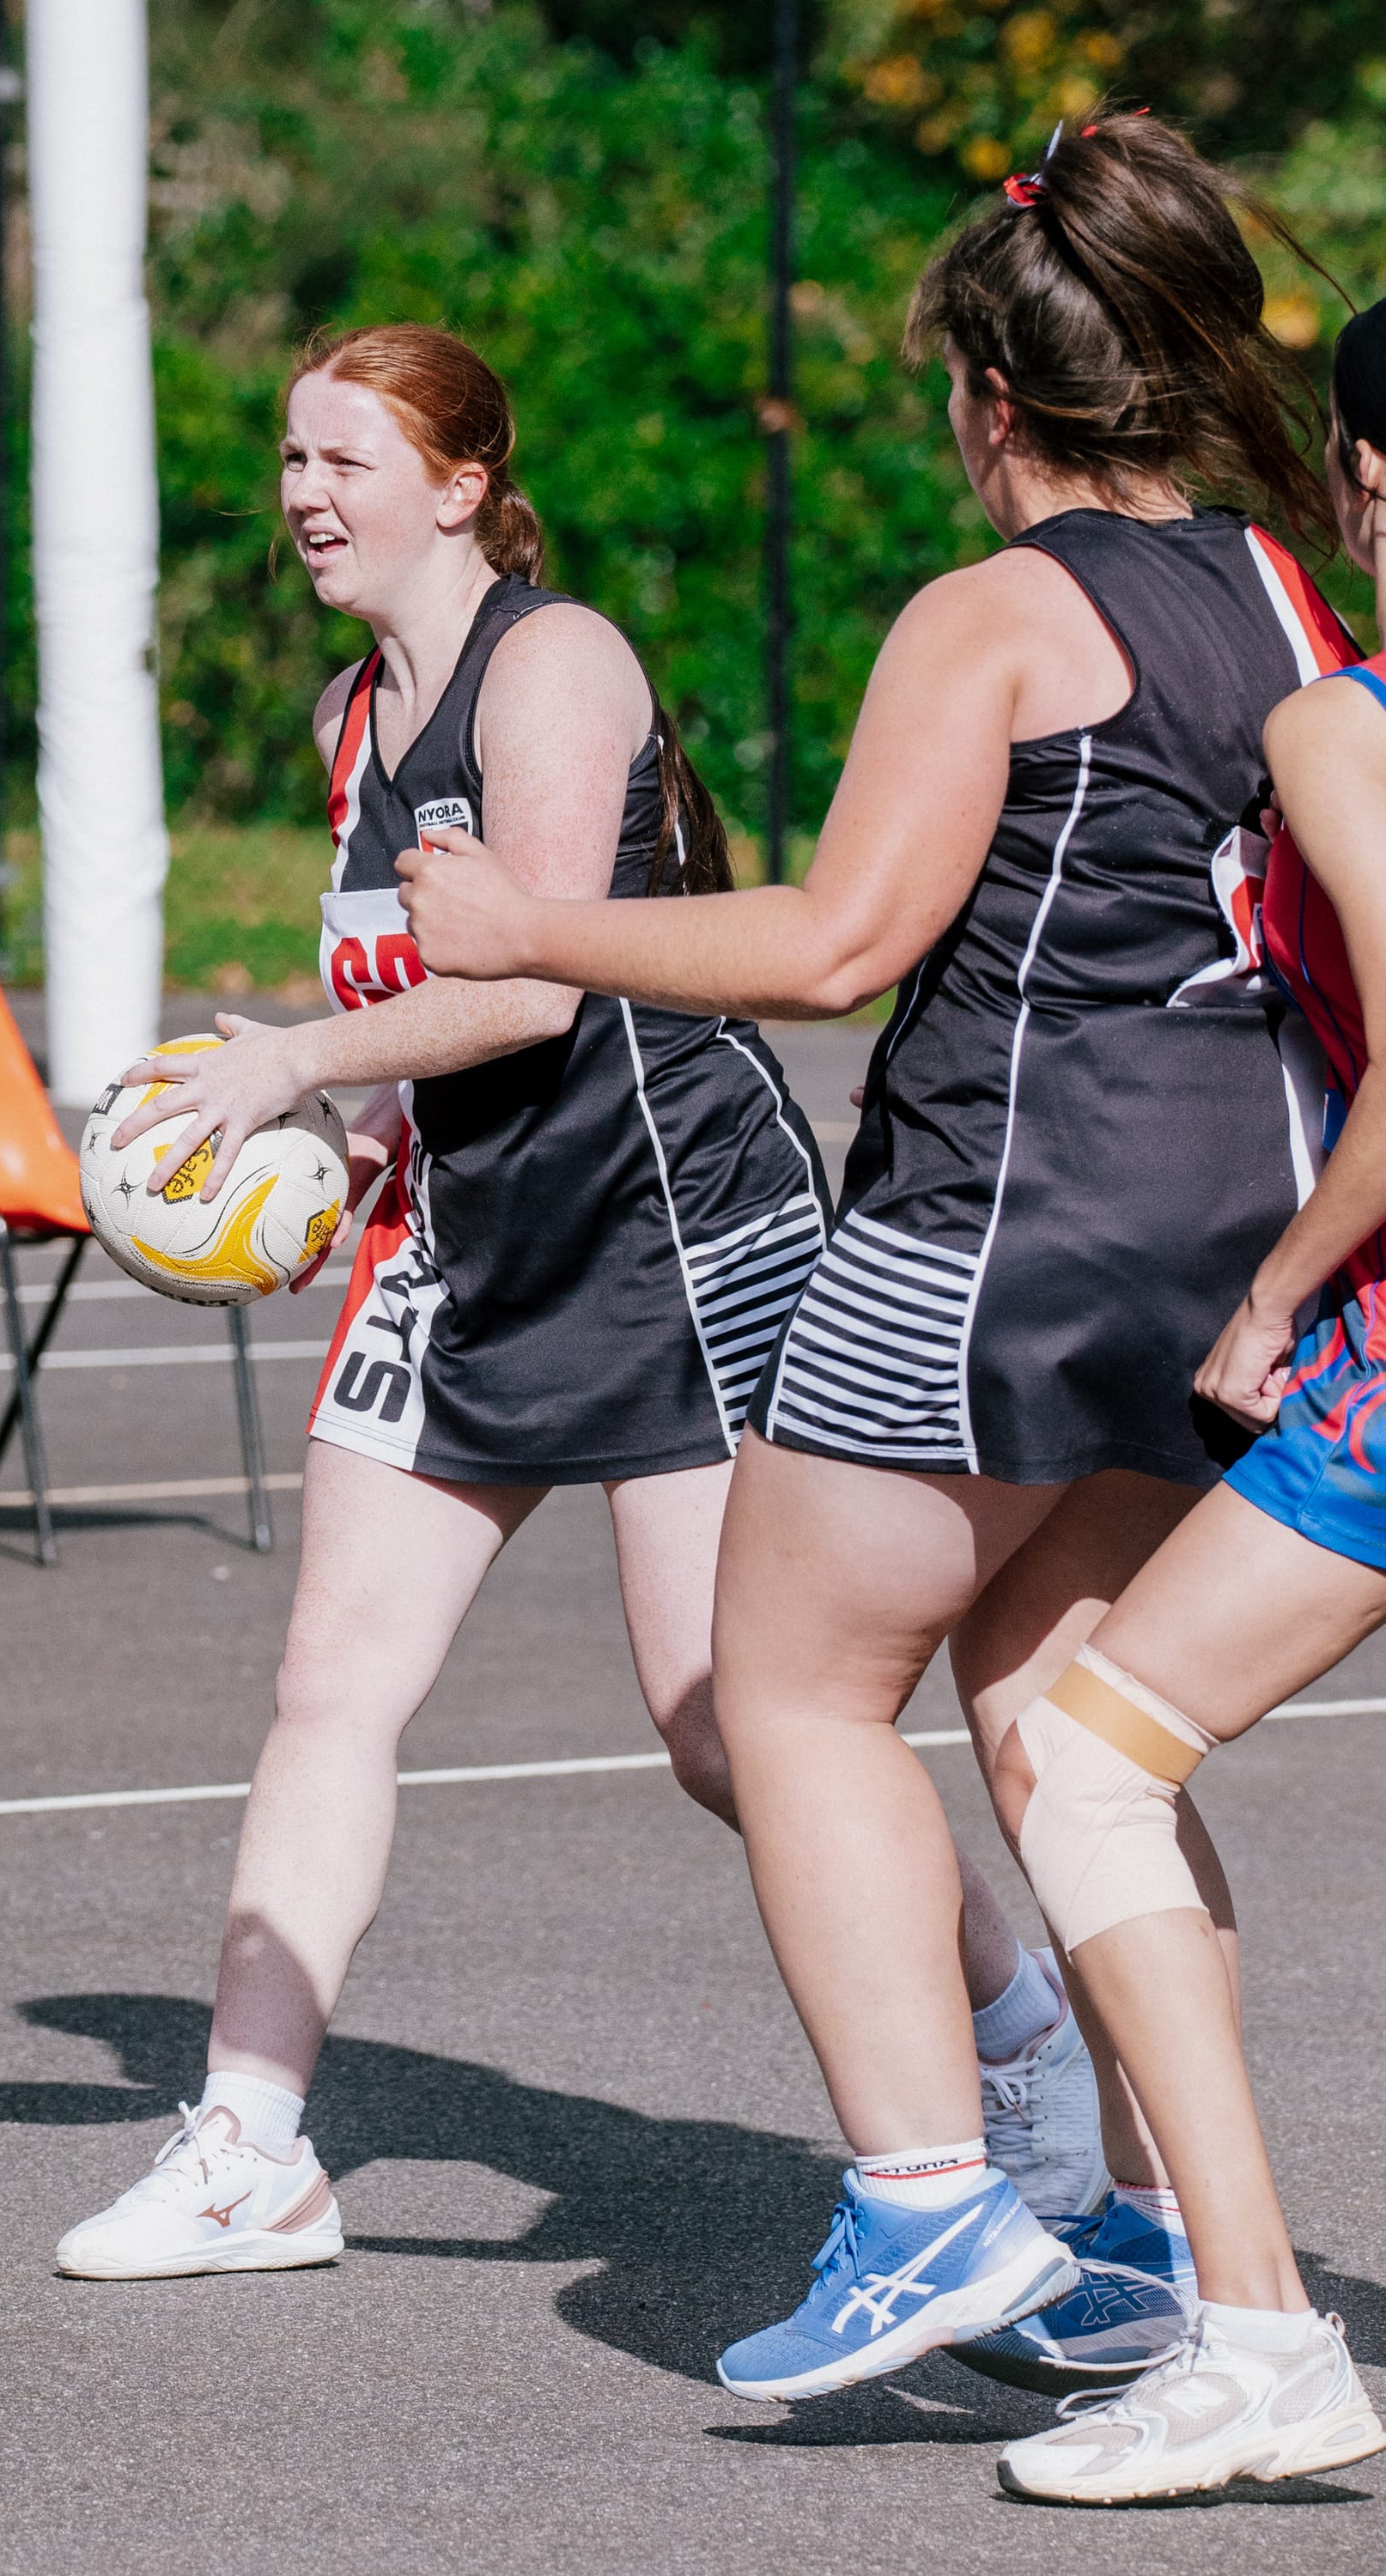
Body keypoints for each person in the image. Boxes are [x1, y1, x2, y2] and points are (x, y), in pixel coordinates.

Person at [397, 114, 1354, 2438]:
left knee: (793, 1688)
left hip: (999, 1221)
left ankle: (932, 2193)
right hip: (1234, 1218)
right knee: (1062, 1728)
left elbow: (836, 948)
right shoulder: (1281, 589)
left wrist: (532, 928)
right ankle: (1162, 2239)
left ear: (986, 398)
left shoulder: (994, 613)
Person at [54, 323, 1092, 2284]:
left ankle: (1017, 2040)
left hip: (668, 1231)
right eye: (288, 459)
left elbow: (534, 986)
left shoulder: (557, 664)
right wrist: (341, 1141)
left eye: (343, 460)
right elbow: (415, 1015)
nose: (300, 495)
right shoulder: (348, 722)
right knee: (326, 1689)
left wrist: (285, 1069)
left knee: (725, 1724)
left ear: (457, 484)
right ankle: (251, 2147)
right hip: (468, 1242)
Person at [974, 300, 1386, 2500]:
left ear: (1361, 483)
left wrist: (1276, 1289)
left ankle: (1255, 2327)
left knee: (1082, 1762)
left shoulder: (1345, 726)